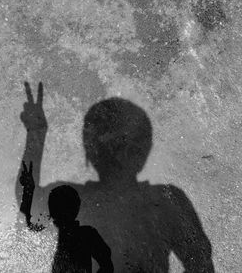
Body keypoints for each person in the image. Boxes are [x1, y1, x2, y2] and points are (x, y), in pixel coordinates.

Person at [16, 81, 214, 272]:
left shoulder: (165, 202)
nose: (118, 152)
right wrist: (36, 133)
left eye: (122, 143)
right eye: (113, 144)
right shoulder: (164, 202)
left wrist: (36, 133)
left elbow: (200, 263)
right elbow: (29, 203)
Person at [20, 160, 114, 273]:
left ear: (51, 211)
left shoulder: (47, 236)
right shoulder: (87, 235)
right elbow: (107, 266)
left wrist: (28, 190)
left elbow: (24, 226)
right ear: (77, 208)